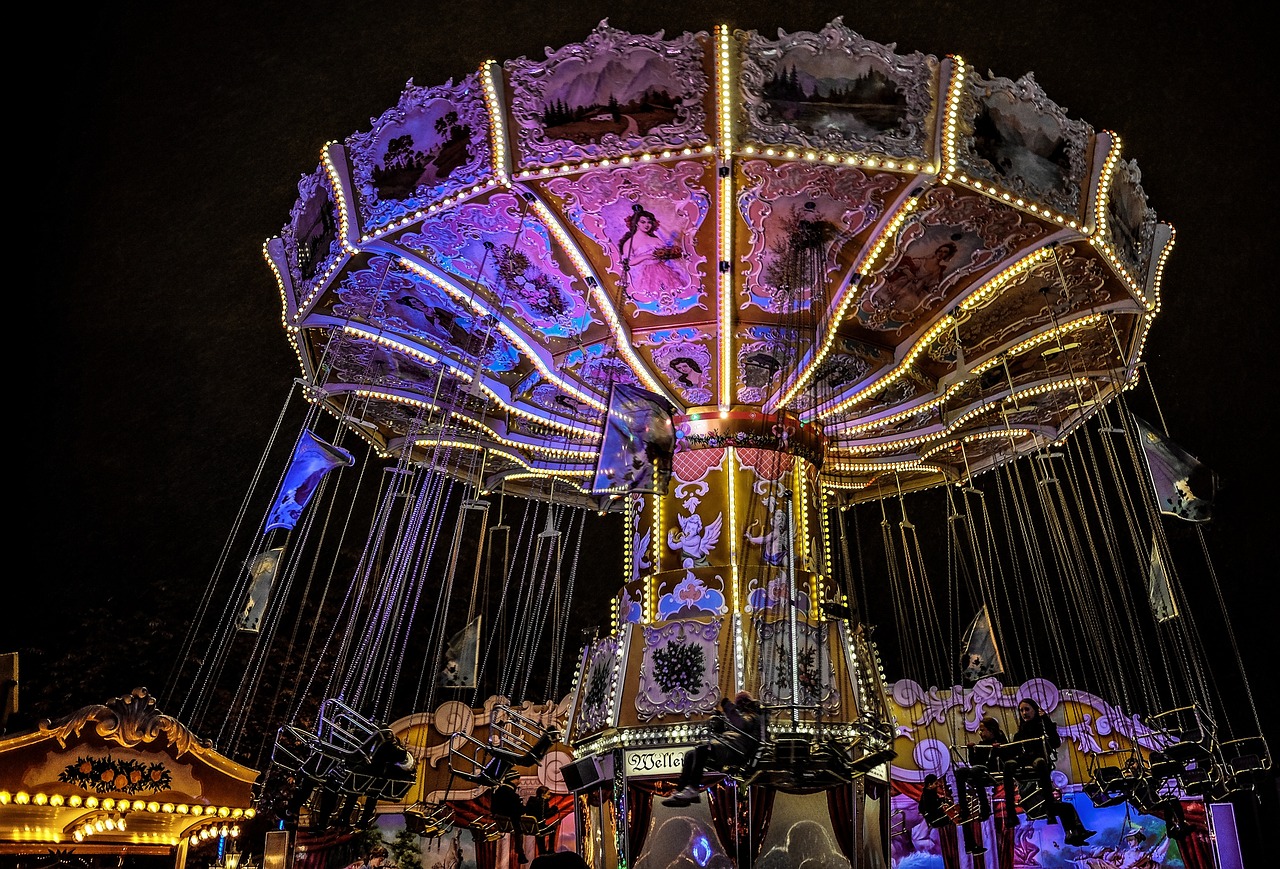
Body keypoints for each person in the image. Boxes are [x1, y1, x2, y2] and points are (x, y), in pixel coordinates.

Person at [1010, 698, 1095, 846]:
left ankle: (1074, 834)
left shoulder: (1043, 728)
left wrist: (1046, 721)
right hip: (1032, 778)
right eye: (1022, 710)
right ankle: (1073, 833)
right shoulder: (1020, 735)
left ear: (1035, 710)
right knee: (1064, 808)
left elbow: (1055, 742)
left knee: (1066, 808)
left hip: (1041, 772)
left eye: (1027, 709)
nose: (1024, 713)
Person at [662, 691, 765, 806]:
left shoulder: (751, 716)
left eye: (744, 701)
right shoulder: (738, 718)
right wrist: (720, 721)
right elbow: (727, 730)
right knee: (690, 754)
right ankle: (680, 789)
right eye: (739, 702)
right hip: (729, 745)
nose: (742, 704)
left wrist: (728, 707)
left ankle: (693, 788)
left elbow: (742, 725)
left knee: (702, 749)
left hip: (737, 750)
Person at [491, 770, 531, 864]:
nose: (519, 781)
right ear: (512, 780)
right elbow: (518, 810)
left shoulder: (497, 791)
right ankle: (520, 852)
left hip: (501, 819)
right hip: (512, 821)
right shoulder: (512, 795)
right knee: (520, 829)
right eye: (517, 779)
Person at [525, 784, 556, 856]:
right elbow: (545, 815)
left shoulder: (531, 800)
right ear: (543, 794)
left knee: (540, 832)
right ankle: (551, 850)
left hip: (530, 826)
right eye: (548, 794)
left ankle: (542, 851)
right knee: (552, 829)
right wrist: (554, 810)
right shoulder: (543, 802)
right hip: (539, 825)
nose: (549, 796)